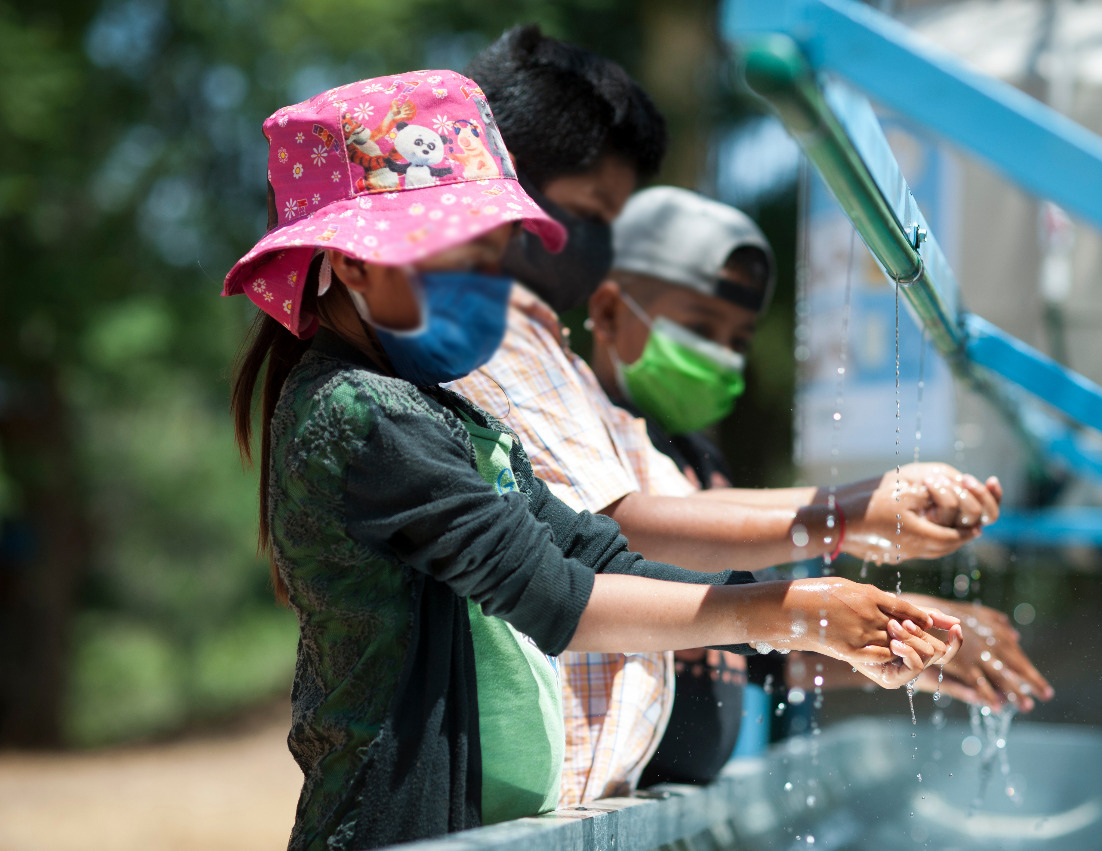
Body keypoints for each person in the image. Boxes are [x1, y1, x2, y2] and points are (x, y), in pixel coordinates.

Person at [224, 71, 962, 851]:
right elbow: (552, 596)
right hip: (395, 827)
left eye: (495, 256)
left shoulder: (440, 408)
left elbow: (590, 548)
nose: (489, 287)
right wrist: (789, 612)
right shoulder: (360, 413)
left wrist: (799, 615)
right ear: (354, 261)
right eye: (455, 257)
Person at [452, 30, 1004, 806]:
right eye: (591, 214)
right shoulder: (494, 342)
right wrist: (844, 518)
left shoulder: (566, 366)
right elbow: (627, 531)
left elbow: (655, 531)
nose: (596, 245)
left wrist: (863, 536)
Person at [587, 187, 1056, 785]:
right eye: (700, 328)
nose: (722, 358)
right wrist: (850, 516)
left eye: (737, 341)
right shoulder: (583, 443)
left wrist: (917, 647)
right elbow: (624, 539)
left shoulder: (696, 459)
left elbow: (758, 652)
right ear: (607, 314)